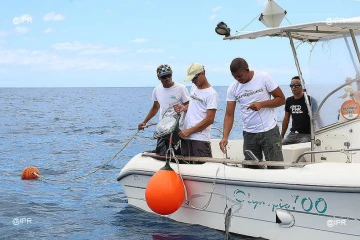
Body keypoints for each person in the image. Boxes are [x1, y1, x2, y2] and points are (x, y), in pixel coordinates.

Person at [219, 57, 285, 168]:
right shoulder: (233, 88)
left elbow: (281, 99)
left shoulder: (264, 78)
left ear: (247, 70)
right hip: (249, 134)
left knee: (276, 168)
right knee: (251, 169)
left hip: (269, 130)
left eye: (240, 76)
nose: (238, 79)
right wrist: (225, 137)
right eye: (235, 77)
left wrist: (261, 104)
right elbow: (229, 114)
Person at [138, 64, 190, 154]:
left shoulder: (181, 88)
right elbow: (155, 107)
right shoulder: (157, 90)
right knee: (161, 153)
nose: (167, 78)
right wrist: (145, 122)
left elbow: (189, 105)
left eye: (169, 75)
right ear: (159, 78)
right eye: (164, 77)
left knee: (176, 154)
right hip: (162, 129)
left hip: (178, 129)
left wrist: (183, 108)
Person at [173, 63, 218, 157]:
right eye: (191, 79)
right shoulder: (194, 88)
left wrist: (189, 131)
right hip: (186, 137)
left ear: (203, 73)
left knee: (203, 169)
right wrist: (184, 108)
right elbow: (194, 105)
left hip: (200, 140)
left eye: (194, 78)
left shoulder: (211, 94)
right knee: (186, 169)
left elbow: (210, 119)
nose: (193, 81)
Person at [281, 76, 319, 145]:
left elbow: (318, 119)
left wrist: (320, 134)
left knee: (301, 148)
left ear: (302, 86)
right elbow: (286, 119)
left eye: (296, 85)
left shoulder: (310, 101)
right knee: (280, 147)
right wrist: (282, 136)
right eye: (291, 86)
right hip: (293, 134)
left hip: (306, 135)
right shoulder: (289, 101)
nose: (293, 88)